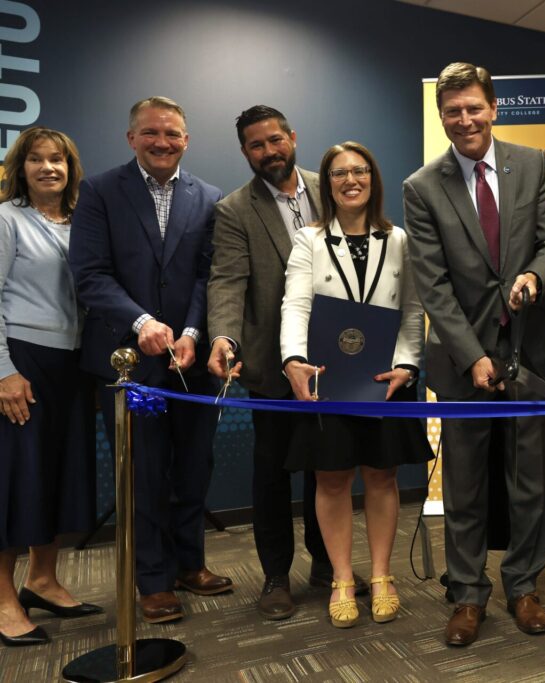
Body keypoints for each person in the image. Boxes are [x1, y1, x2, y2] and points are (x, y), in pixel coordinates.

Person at [403, 61, 545, 646]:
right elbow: (432, 282)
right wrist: (472, 353)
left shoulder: (532, 165)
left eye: (474, 107)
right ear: (442, 117)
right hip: (461, 355)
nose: (465, 119)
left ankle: (523, 586)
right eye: (453, 111)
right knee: (466, 484)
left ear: (493, 108)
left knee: (529, 482)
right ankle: (468, 595)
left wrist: (534, 277)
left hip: (529, 347)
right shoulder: (422, 187)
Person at [70, 97, 231, 624]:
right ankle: (153, 579)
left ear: (187, 140)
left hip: (191, 358)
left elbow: (211, 276)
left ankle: (190, 563)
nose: (162, 142)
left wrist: (189, 331)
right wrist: (143, 323)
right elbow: (90, 274)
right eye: (151, 133)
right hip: (128, 363)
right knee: (143, 472)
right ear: (131, 138)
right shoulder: (98, 191)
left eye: (173, 134)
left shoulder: (208, 197)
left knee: (193, 465)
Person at [280, 141, 432, 628]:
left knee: (383, 476)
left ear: (373, 178)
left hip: (384, 378)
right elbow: (295, 304)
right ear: (326, 183)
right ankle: (343, 578)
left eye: (360, 171)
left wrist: (408, 364)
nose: (351, 180)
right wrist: (294, 359)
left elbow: (412, 309)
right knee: (331, 478)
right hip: (328, 378)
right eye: (339, 173)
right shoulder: (309, 239)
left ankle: (383, 576)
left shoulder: (400, 240)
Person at [206, 105, 347, 621]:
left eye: (275, 140)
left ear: (293, 136)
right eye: (256, 146)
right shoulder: (234, 210)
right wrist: (224, 337)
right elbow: (226, 282)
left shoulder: (332, 184)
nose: (269, 152)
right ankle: (274, 577)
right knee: (270, 474)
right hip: (270, 365)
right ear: (245, 152)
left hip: (334, 361)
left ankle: (329, 566)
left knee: (326, 470)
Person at [0, 127, 100, 647]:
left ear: (70, 166)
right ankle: (2, 601)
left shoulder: (82, 220)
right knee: (16, 482)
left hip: (74, 362)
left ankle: (42, 580)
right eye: (36, 160)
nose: (48, 168)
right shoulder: (5, 218)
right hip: (23, 360)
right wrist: (3, 371)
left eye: (57, 159)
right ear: (22, 166)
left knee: (59, 474)